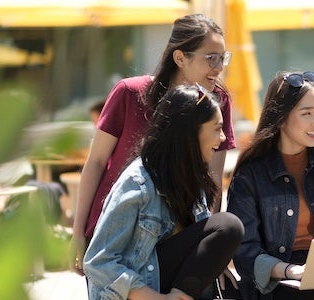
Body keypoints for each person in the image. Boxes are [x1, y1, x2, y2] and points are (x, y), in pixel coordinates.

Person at [72, 13, 236, 276]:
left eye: (223, 58)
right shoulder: (129, 92)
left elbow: (212, 180)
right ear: (180, 57)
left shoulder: (218, 101)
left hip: (173, 238)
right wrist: (78, 232)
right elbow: (96, 162)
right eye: (211, 58)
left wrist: (211, 252)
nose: (219, 67)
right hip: (115, 236)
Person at [83, 85, 244, 300]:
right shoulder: (139, 182)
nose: (223, 137)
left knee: (233, 288)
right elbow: (97, 260)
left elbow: (196, 241)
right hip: (138, 292)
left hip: (166, 281)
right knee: (228, 226)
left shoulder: (192, 174)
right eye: (216, 128)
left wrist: (213, 262)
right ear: (190, 131)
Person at [226, 71, 314, 300]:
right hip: (279, 282)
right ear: (280, 118)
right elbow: (244, 250)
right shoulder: (251, 175)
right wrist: (290, 270)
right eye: (307, 113)